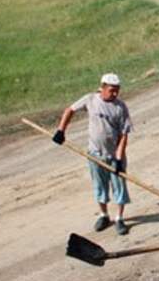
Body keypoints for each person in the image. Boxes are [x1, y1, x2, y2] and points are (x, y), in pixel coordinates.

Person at [53, 73, 133, 235]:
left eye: (117, 90)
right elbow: (70, 110)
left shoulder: (120, 107)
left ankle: (119, 219)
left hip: (114, 156)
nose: (115, 94)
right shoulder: (90, 99)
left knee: (119, 187)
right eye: (112, 90)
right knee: (99, 185)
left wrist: (118, 158)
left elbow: (124, 134)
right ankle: (104, 215)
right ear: (102, 88)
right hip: (95, 154)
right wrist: (61, 130)